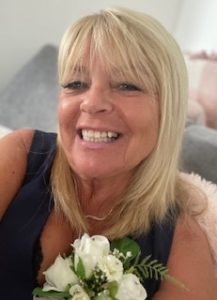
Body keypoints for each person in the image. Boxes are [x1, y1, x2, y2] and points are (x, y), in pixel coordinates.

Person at [0, 7, 216, 300]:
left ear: (168, 109)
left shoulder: (183, 243)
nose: (91, 103)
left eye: (127, 85)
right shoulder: (19, 154)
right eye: (76, 84)